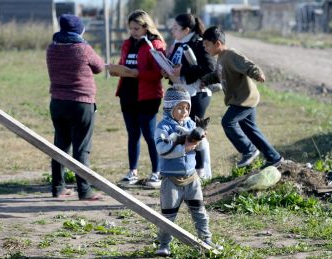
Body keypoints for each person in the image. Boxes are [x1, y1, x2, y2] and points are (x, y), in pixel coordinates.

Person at [201, 26, 283, 169]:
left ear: (217, 43)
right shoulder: (221, 58)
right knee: (251, 130)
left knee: (228, 122)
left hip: (244, 99)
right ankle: (274, 157)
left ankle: (248, 150)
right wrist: (206, 80)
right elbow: (218, 74)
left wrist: (257, 73)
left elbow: (247, 64)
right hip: (240, 99)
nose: (205, 48)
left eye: (207, 45)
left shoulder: (231, 55)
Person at [154, 86, 222, 256]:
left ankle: (206, 239)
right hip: (171, 179)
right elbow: (161, 149)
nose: (184, 112)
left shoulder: (192, 124)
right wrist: (183, 148)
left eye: (187, 107)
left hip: (191, 177)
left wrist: (201, 139)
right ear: (170, 108)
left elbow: (200, 147)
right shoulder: (163, 127)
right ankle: (164, 244)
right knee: (168, 214)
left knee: (199, 211)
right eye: (179, 107)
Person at [46, 14, 105, 200]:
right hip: (81, 102)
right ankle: (85, 190)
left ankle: (58, 187)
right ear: (79, 30)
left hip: (57, 102)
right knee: (82, 148)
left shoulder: (51, 48)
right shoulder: (83, 48)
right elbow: (99, 67)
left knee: (60, 146)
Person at [108, 10, 165, 188]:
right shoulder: (127, 44)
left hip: (147, 96)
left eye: (136, 28)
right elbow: (124, 63)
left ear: (146, 27)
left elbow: (159, 73)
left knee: (149, 135)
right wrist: (117, 69)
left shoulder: (155, 44)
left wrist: (137, 74)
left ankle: (157, 172)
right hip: (127, 95)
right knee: (133, 135)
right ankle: (132, 171)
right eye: (131, 28)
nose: (133, 31)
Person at [164, 13, 216, 179]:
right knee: (185, 132)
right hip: (182, 93)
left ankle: (204, 172)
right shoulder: (178, 43)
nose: (172, 31)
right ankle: (191, 169)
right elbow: (175, 67)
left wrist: (184, 71)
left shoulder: (198, 43)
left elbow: (209, 68)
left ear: (187, 30)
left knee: (197, 132)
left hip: (197, 94)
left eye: (176, 28)